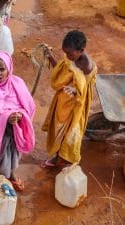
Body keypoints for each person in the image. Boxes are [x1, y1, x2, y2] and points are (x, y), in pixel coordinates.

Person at [0, 51, 36, 191]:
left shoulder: (18, 84)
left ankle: (10, 175)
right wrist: (5, 118)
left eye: (2, 69)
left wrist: (20, 115)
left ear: (9, 68)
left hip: (14, 132)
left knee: (11, 156)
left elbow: (29, 107)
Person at [41, 30, 97, 168]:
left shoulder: (86, 67)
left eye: (69, 54)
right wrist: (50, 57)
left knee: (70, 132)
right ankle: (59, 156)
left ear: (81, 50)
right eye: (65, 53)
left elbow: (82, 90)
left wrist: (75, 90)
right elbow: (62, 74)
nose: (67, 56)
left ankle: (64, 159)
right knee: (59, 130)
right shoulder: (72, 57)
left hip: (76, 106)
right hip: (64, 102)